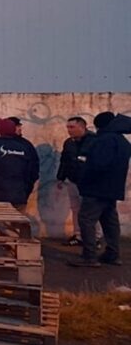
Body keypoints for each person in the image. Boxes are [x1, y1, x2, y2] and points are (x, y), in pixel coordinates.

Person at [68, 112, 131, 268]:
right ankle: (112, 254)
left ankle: (89, 256)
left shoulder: (104, 140)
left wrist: (84, 175)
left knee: (86, 219)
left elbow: (98, 165)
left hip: (97, 187)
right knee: (110, 221)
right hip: (113, 188)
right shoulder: (122, 141)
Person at [56, 117, 97, 246]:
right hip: (73, 180)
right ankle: (78, 235)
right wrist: (61, 178)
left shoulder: (94, 141)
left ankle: (94, 238)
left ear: (82, 127)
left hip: (89, 182)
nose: (69, 130)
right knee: (76, 209)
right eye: (68, 127)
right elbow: (64, 160)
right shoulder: (69, 143)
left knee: (91, 210)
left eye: (72, 127)